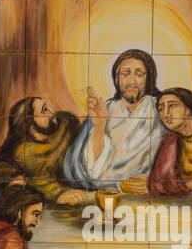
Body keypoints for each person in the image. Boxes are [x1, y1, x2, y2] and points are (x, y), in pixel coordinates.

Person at [63, 49, 163, 190]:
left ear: (149, 78)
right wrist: (99, 125)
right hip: (105, 194)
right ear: (117, 78)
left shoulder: (161, 109)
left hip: (145, 194)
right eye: (125, 74)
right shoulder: (105, 108)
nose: (132, 81)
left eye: (139, 74)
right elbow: (90, 171)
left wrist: (154, 184)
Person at [0, 95, 87, 208]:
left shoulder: (67, 124)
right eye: (44, 110)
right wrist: (58, 195)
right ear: (30, 125)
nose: (52, 112)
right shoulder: (21, 152)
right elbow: (35, 182)